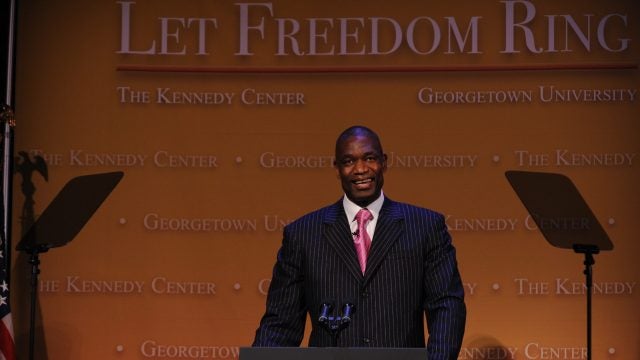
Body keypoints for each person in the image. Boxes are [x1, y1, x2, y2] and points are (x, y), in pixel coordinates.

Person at [253, 125, 466, 359]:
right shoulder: (302, 234)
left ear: (384, 162)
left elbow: (446, 306)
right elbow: (280, 324)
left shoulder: (425, 226)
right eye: (348, 161)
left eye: (370, 158)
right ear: (337, 168)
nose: (361, 169)